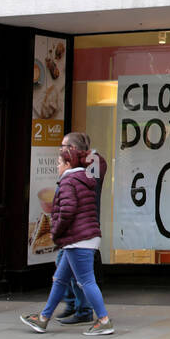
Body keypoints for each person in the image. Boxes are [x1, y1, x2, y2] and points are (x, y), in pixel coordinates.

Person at [21, 143, 114, 335]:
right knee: (60, 279)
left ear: (67, 163)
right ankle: (43, 318)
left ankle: (104, 320)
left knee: (87, 281)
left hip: (77, 239)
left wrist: (55, 232)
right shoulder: (85, 179)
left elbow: (67, 211)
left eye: (59, 163)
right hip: (85, 236)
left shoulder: (68, 182)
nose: (57, 166)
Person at [53, 133, 106, 326]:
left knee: (79, 276)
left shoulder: (90, 166)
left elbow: (71, 206)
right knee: (65, 270)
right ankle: (71, 306)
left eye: (64, 146)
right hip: (79, 229)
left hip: (81, 228)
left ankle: (85, 310)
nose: (61, 150)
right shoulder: (78, 168)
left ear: (74, 149)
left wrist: (57, 230)